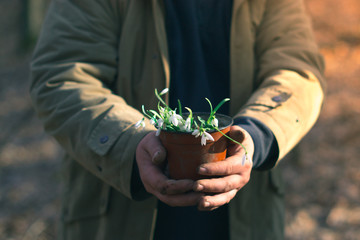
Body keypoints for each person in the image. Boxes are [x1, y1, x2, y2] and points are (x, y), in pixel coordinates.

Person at [30, 0, 325, 239]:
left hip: (246, 215)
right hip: (120, 212)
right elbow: (64, 77)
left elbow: (297, 70)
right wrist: (129, 144)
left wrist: (255, 136)